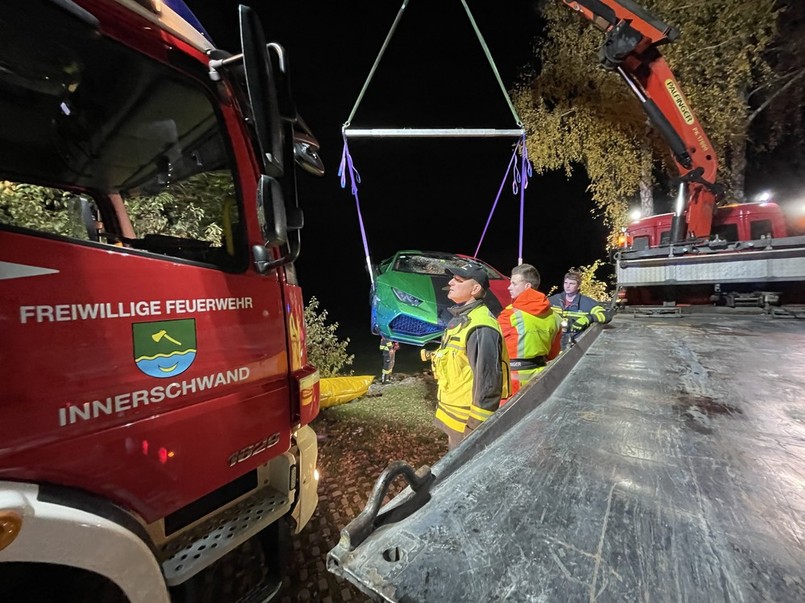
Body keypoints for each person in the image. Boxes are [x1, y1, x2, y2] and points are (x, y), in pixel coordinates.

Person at [431, 262, 510, 450]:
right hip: (453, 418)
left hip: (466, 427)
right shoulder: (463, 320)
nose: (450, 283)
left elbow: (488, 385)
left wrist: (474, 432)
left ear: (475, 289)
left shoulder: (480, 327)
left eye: (458, 280)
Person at [497, 264, 562, 401]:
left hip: (511, 384)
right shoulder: (555, 317)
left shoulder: (509, 314)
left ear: (527, 286)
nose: (509, 287)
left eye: (514, 283)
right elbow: (553, 353)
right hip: (541, 379)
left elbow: (494, 349)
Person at [548, 269, 611, 349]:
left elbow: (606, 315)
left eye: (572, 284)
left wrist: (588, 318)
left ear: (578, 286)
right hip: (552, 343)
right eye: (566, 283)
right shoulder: (553, 300)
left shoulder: (587, 303)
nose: (567, 286)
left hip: (575, 345)